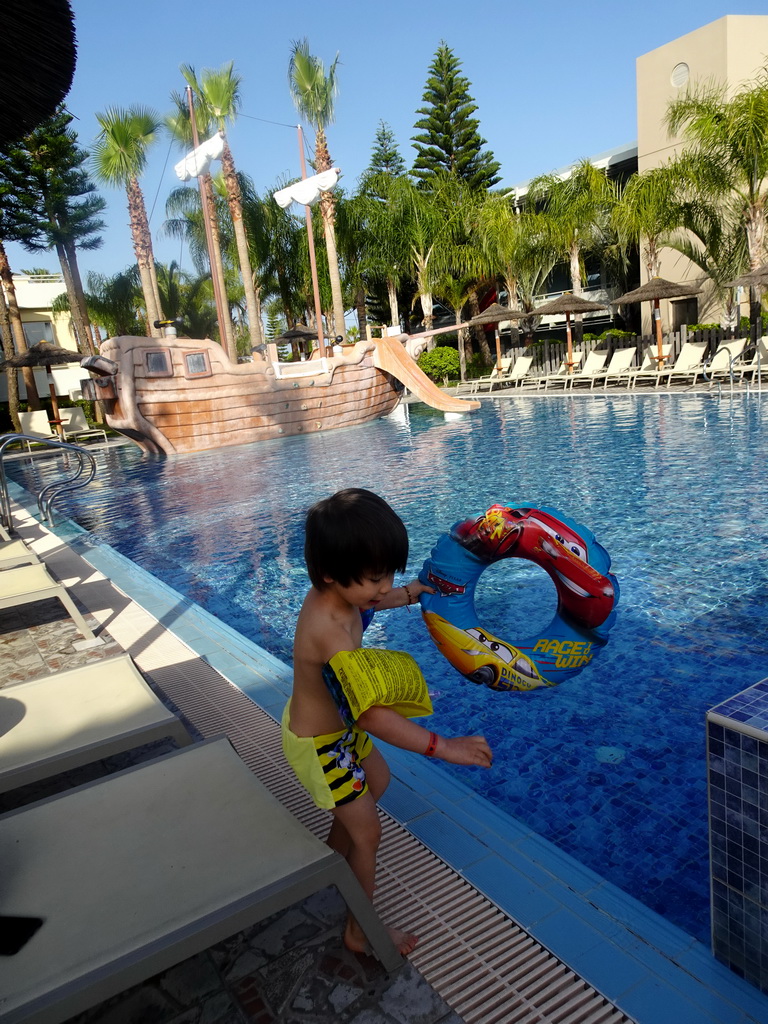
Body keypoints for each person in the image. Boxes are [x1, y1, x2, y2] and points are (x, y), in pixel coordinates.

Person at [283, 488, 493, 958]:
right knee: (369, 831)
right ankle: (359, 932)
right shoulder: (329, 633)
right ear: (331, 574)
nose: (385, 585)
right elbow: (372, 713)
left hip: (339, 729)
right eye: (376, 577)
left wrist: (411, 593)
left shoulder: (343, 591)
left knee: (377, 779)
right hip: (322, 743)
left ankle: (334, 862)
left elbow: (372, 602)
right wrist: (444, 747)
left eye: (390, 574)